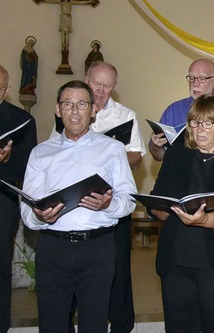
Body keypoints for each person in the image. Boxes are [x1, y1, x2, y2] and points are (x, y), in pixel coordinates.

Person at [20, 80, 136, 332]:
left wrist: (107, 205)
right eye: (67, 104)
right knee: (52, 324)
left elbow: (129, 201)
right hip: (53, 248)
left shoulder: (113, 149)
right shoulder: (40, 153)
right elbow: (27, 212)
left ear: (93, 110)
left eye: (81, 104)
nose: (74, 111)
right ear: (57, 110)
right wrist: (41, 216)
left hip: (98, 248)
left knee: (94, 324)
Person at [48, 61, 145, 333]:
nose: (101, 90)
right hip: (73, 207)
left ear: (115, 87)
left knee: (118, 270)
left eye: (107, 85)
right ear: (86, 80)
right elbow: (52, 152)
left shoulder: (125, 115)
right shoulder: (68, 112)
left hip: (112, 201)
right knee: (70, 278)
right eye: (96, 84)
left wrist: (104, 152)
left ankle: (122, 325)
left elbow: (137, 159)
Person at [149, 94, 214, 332]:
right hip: (177, 262)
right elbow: (158, 197)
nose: (200, 130)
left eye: (208, 123)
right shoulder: (177, 153)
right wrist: (159, 209)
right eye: (195, 123)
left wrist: (205, 219)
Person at [149, 58, 214, 160]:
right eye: (191, 78)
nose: (195, 83)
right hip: (180, 172)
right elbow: (159, 157)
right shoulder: (174, 110)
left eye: (202, 79)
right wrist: (156, 146)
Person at [0, 65, 37, 333]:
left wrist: (8, 158)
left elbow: (28, 168)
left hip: (2, 201)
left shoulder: (21, 120)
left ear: (8, 89)